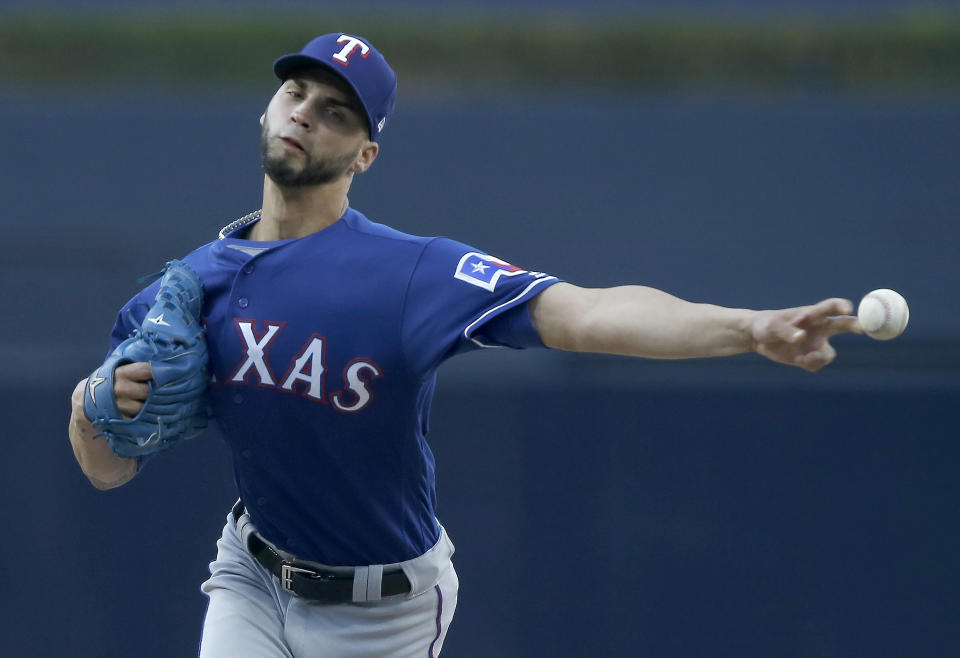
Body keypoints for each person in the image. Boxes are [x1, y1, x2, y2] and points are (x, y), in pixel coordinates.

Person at [67, 32, 861, 658]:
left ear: (365, 155)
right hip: (251, 573)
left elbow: (583, 313)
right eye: (295, 91)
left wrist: (747, 328)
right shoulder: (186, 289)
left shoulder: (411, 272)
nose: (306, 112)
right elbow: (106, 470)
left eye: (338, 111)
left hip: (382, 614)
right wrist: (88, 407)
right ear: (268, 111)